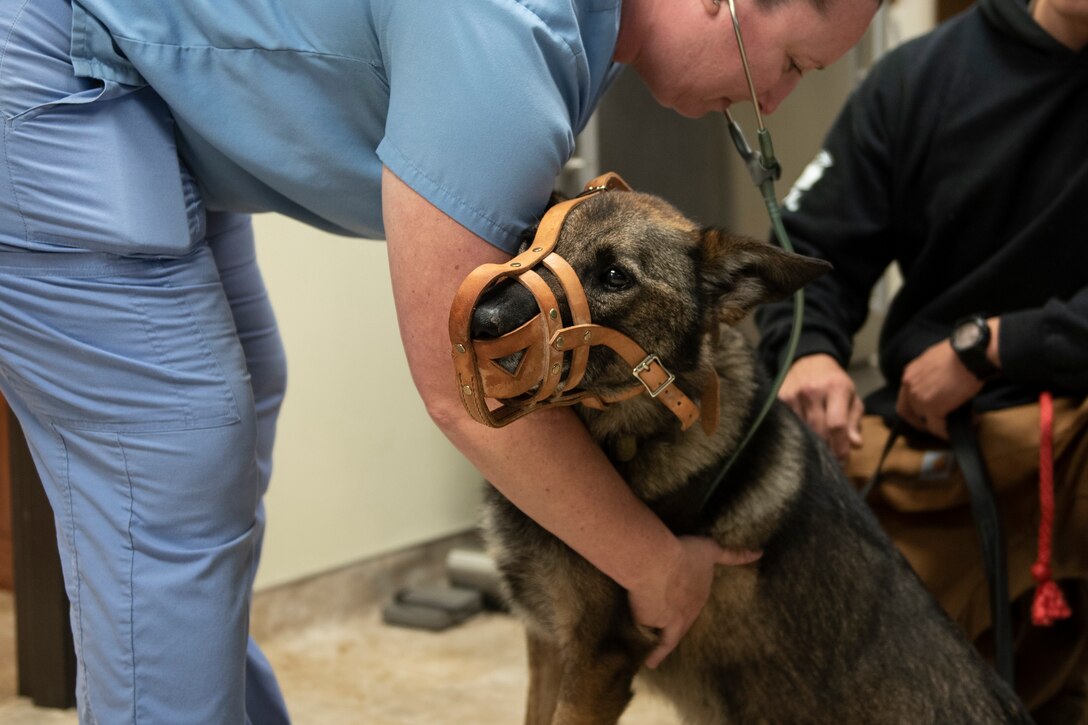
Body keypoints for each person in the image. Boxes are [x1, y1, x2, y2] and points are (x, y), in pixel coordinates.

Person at [0, 0, 878, 721]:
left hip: (151, 101)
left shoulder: (592, 39)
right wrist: (655, 566)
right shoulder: (510, 30)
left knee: (237, 409)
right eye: (794, 65)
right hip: (54, 70)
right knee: (175, 461)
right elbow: (466, 385)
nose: (773, 98)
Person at [755, 0, 1088, 719]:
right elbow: (808, 260)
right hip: (940, 441)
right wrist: (809, 353)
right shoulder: (918, 80)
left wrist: (993, 344)